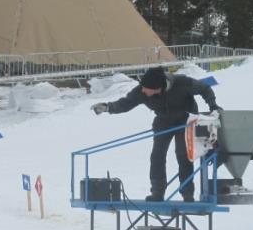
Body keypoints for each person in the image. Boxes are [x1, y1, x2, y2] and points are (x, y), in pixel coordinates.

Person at [91, 66, 221, 202]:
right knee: (157, 156)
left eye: (146, 88)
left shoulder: (182, 83)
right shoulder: (142, 91)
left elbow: (205, 88)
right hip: (163, 121)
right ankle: (157, 193)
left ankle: (187, 194)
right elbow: (126, 103)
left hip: (186, 121)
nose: (142, 90)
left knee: (183, 156)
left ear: (157, 87)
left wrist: (213, 106)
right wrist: (107, 107)